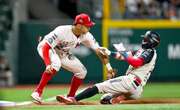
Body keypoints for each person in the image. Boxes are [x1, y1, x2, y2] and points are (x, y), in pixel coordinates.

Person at [56, 30, 160, 104]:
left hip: (130, 81)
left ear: (151, 41)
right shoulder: (141, 51)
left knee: (98, 87)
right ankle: (117, 98)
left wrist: (123, 53)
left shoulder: (150, 52)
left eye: (146, 39)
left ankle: (73, 99)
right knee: (104, 99)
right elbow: (122, 56)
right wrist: (109, 52)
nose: (144, 40)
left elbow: (136, 62)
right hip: (136, 90)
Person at [31, 13, 115, 103]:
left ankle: (70, 97)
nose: (89, 28)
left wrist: (109, 67)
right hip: (47, 48)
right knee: (56, 64)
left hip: (63, 53)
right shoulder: (62, 30)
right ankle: (37, 92)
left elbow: (99, 51)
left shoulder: (87, 36)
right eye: (87, 26)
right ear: (79, 25)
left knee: (82, 72)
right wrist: (48, 64)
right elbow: (46, 47)